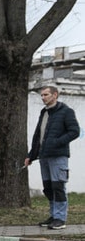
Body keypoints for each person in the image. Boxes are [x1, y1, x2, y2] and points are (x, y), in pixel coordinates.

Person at [24, 85, 80, 230]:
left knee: (58, 187)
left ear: (55, 95)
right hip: (44, 157)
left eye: (46, 94)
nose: (43, 97)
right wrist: (31, 155)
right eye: (42, 95)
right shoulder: (44, 112)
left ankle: (60, 219)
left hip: (58, 157)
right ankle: (54, 216)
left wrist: (56, 142)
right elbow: (38, 136)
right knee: (48, 188)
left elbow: (75, 131)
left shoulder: (66, 111)